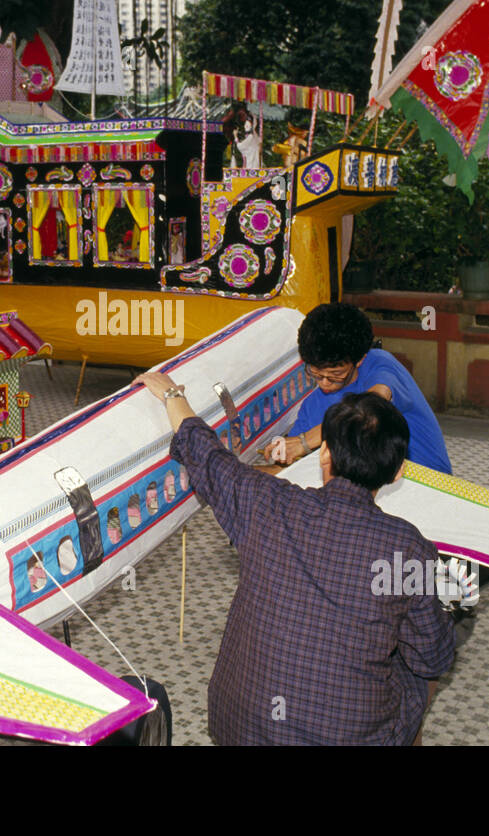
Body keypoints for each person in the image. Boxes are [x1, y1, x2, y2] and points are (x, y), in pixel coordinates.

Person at [136, 372, 456, 745]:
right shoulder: (408, 549)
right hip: (342, 737)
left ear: (325, 454)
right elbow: (432, 657)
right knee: (418, 672)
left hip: (238, 727)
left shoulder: (268, 503)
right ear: (399, 471)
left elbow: (207, 455)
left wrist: (172, 394)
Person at [264, 303, 453, 474]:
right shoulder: (312, 406)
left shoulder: (380, 365)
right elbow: (287, 470)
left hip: (428, 484)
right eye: (316, 374)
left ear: (360, 359)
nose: (324, 383)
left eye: (335, 375)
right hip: (370, 491)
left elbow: (370, 408)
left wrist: (303, 442)